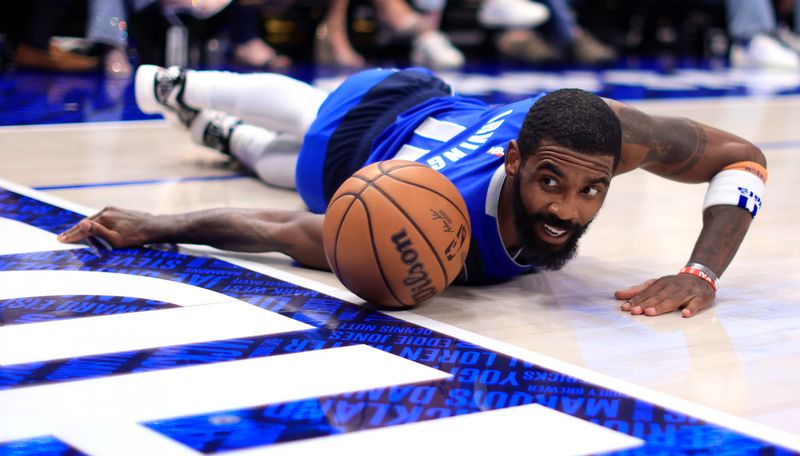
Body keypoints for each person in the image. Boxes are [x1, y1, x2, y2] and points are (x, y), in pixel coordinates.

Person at [58, 64, 767, 318]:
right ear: (515, 160)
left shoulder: (609, 129)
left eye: (593, 190)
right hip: (380, 120)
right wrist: (158, 225)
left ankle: (217, 132)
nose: (567, 210)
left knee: (267, 159)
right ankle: (179, 84)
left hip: (419, 140)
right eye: (550, 181)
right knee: (303, 132)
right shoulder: (441, 220)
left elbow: (742, 158)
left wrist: (701, 272)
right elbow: (282, 230)